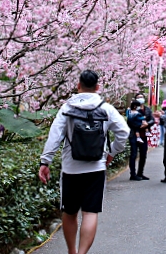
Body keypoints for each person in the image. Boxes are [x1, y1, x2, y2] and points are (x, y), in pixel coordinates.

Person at [39, 70, 130, 254]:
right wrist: (112, 152)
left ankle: (71, 251)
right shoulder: (106, 108)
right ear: (97, 87)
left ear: (78, 86)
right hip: (96, 168)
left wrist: (45, 161)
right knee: (90, 212)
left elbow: (55, 136)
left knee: (69, 212)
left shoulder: (67, 108)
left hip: (71, 169)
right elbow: (124, 132)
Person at [125, 100, 151, 181]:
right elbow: (130, 122)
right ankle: (133, 174)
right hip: (134, 135)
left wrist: (147, 124)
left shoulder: (147, 110)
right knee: (133, 154)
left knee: (143, 155)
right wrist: (140, 125)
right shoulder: (131, 112)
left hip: (143, 136)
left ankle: (140, 173)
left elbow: (151, 119)